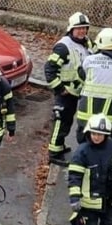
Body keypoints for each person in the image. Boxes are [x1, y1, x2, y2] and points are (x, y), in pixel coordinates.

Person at [46, 12, 94, 166]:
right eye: (78, 29)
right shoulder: (63, 47)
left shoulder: (87, 43)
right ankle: (54, 153)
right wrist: (60, 89)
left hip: (76, 91)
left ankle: (59, 146)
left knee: (67, 121)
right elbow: (49, 69)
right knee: (60, 120)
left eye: (84, 28)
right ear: (71, 29)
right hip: (65, 92)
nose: (82, 31)